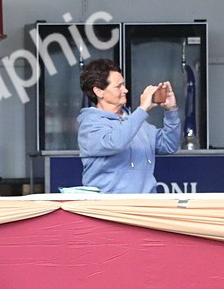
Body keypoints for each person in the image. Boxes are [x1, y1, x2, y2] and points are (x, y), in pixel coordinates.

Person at [77, 58, 180, 194]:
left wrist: (171, 110)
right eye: (118, 86)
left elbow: (169, 145)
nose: (125, 90)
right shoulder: (89, 125)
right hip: (108, 208)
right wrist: (142, 109)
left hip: (145, 206)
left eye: (123, 84)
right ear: (98, 91)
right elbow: (115, 142)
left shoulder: (136, 121)